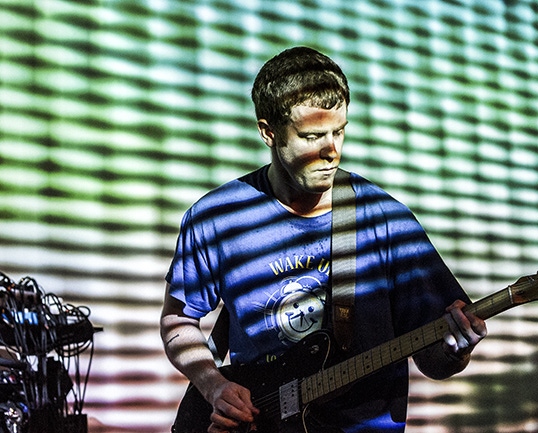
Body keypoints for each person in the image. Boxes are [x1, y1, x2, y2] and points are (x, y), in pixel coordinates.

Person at [160, 46, 487, 433]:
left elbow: (434, 362)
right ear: (268, 132)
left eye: (339, 131)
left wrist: (456, 349)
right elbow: (178, 320)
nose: (331, 151)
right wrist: (214, 387)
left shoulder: (386, 220)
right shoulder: (218, 217)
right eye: (312, 136)